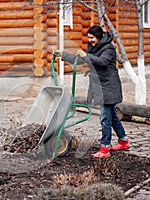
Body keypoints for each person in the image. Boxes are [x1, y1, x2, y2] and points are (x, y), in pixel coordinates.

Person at [53, 25, 130, 158]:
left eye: (92, 38)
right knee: (112, 117)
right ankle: (123, 141)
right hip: (102, 86)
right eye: (88, 38)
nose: (90, 40)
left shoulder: (109, 48)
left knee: (105, 118)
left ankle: (105, 148)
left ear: (99, 37)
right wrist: (63, 55)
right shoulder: (95, 47)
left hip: (109, 87)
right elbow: (82, 59)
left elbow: (103, 61)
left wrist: (87, 55)